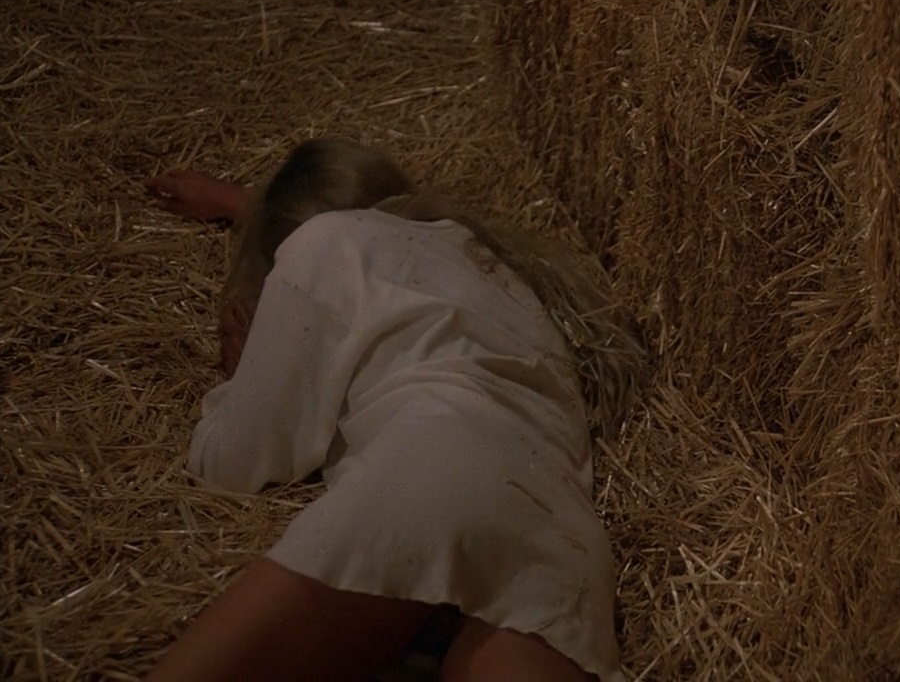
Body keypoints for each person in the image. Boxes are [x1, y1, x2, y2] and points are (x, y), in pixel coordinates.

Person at [141, 139, 638, 682]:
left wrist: (239, 376)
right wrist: (241, 203)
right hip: (561, 531)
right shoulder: (497, 265)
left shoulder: (323, 242)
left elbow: (231, 464)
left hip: (430, 475)